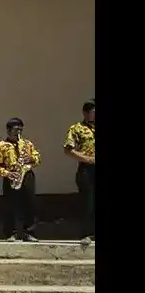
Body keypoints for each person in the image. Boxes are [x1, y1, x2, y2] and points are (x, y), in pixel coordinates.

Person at [0, 118, 42, 242]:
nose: (19, 132)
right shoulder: (1, 146)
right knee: (10, 206)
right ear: (8, 130)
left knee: (30, 203)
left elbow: (38, 159)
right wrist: (8, 173)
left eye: (20, 129)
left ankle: (29, 232)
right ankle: (11, 233)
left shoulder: (27, 144)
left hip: (27, 175)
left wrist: (30, 157)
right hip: (11, 177)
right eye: (16, 130)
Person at [63, 99, 95, 245]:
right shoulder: (77, 128)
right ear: (85, 113)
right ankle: (87, 233)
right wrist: (87, 159)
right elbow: (68, 150)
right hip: (87, 168)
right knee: (87, 201)